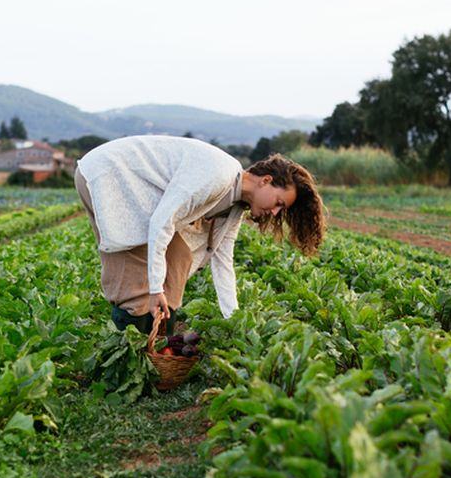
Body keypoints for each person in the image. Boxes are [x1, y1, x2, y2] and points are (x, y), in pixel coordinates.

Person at [74, 135, 325, 334]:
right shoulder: (218, 174)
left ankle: (161, 339)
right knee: (131, 268)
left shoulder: (235, 207)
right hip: (109, 173)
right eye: (279, 202)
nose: (274, 212)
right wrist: (154, 290)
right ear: (266, 180)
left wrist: (234, 320)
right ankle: (130, 354)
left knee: (179, 256)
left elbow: (222, 261)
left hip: (134, 185)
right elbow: (162, 222)